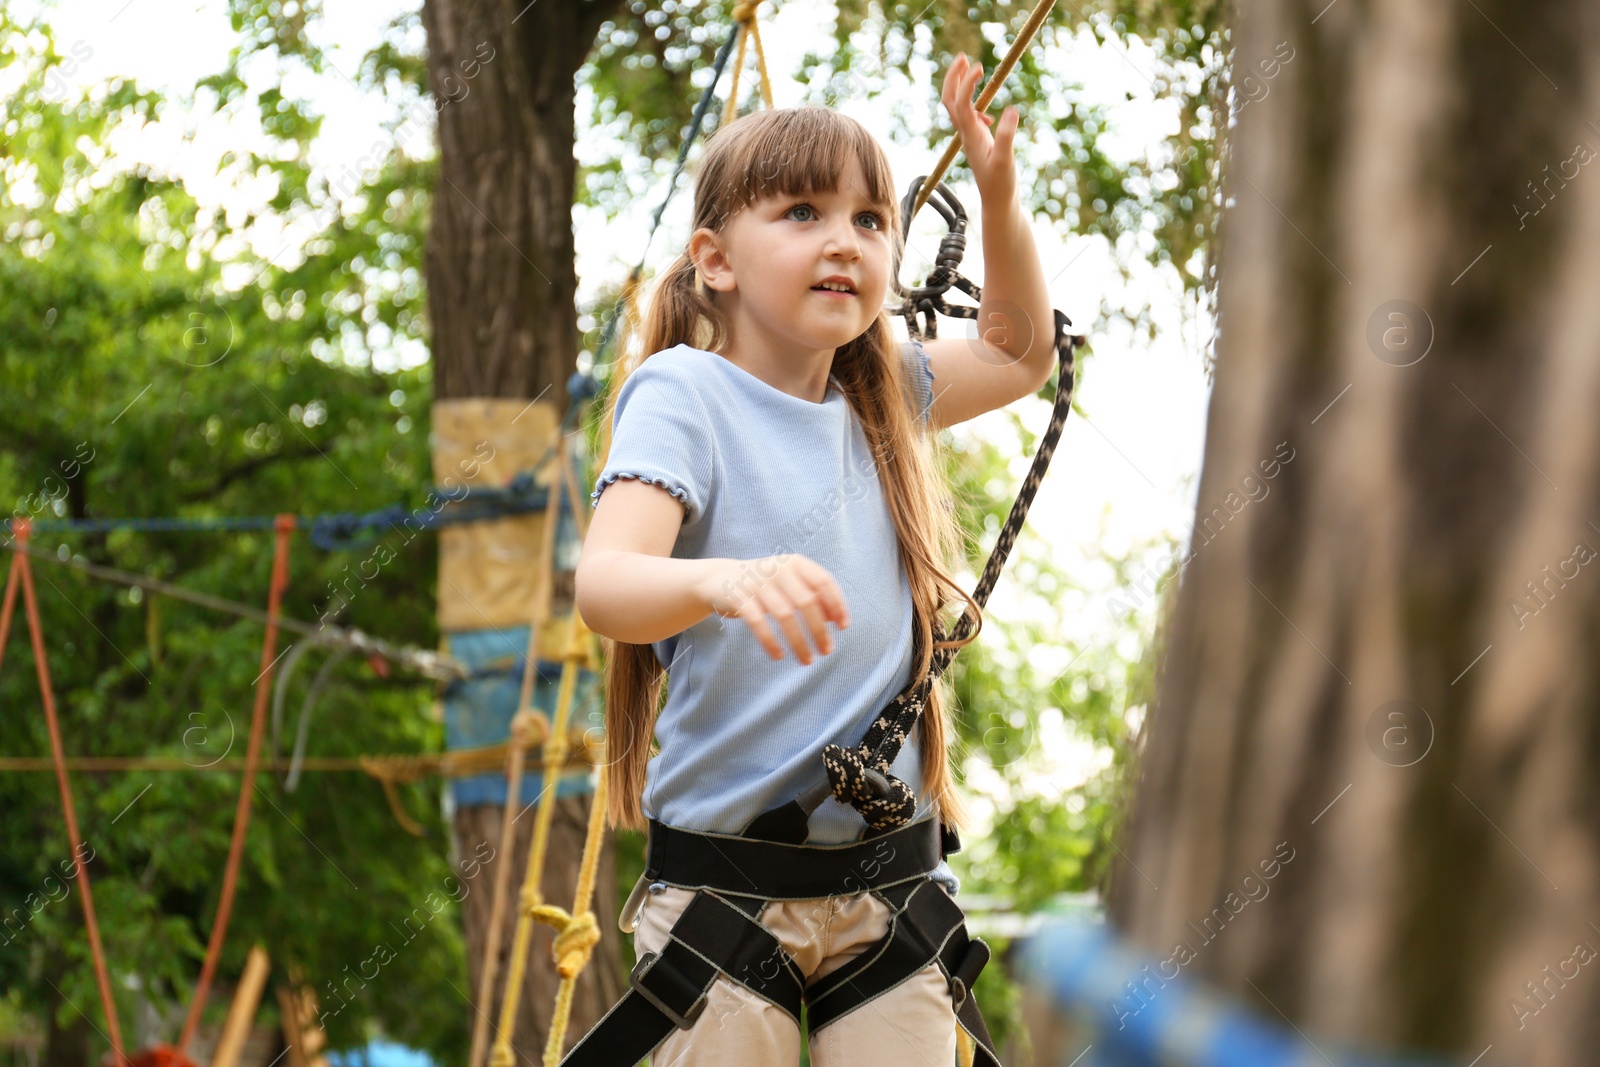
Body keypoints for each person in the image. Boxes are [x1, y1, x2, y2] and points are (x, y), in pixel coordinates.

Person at [572, 53, 1055, 1067]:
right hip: (723, 889)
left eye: (870, 221)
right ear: (716, 259)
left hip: (888, 887)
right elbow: (608, 584)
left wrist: (997, 194)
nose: (844, 240)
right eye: (801, 212)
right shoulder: (684, 393)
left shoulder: (886, 395)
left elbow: (1018, 352)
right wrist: (722, 579)